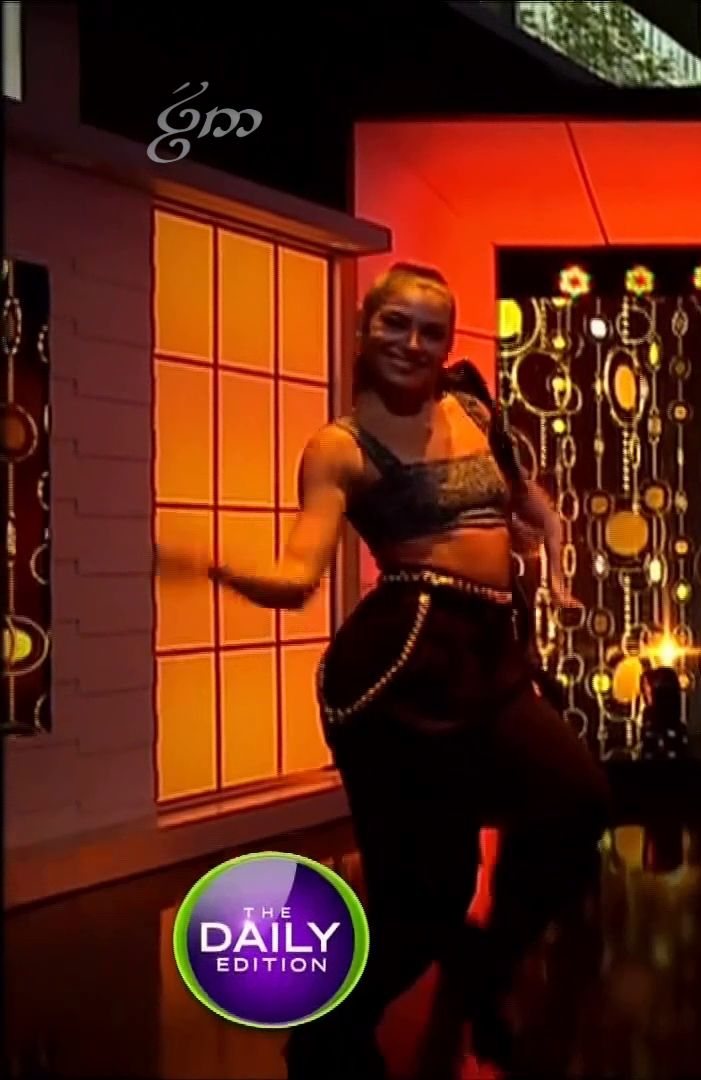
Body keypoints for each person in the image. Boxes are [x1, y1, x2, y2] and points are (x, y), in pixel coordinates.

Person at [155, 263, 611, 1079]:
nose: (412, 343)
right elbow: (298, 577)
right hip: (407, 663)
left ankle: (485, 965)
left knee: (577, 798)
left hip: (489, 650)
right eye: (395, 324)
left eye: (432, 331)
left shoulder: (473, 408)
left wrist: (551, 547)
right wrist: (210, 564)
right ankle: (330, 1036)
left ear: (447, 343)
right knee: (428, 895)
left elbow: (527, 499)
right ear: (365, 330)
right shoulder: (339, 447)